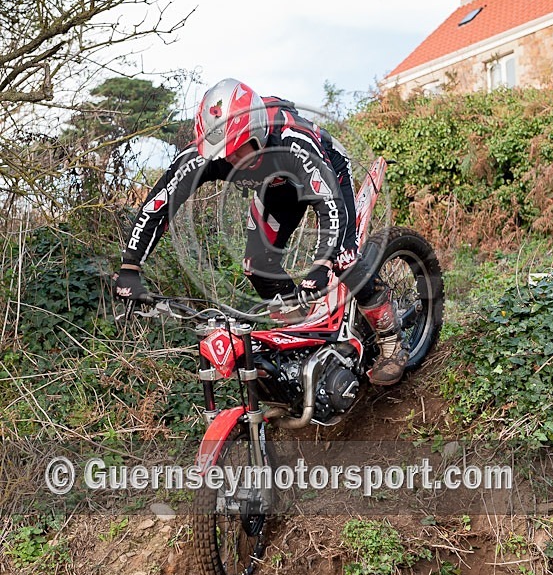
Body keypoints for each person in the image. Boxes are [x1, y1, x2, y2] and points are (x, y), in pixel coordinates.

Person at [114, 78, 408, 385]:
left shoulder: (292, 139)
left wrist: (322, 262)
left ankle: (392, 343)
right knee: (256, 265)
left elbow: (329, 203)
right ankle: (309, 338)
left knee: (344, 258)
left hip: (329, 174)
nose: (231, 160)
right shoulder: (207, 153)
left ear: (257, 132)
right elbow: (158, 204)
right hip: (278, 190)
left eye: (238, 150)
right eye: (222, 155)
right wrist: (130, 266)